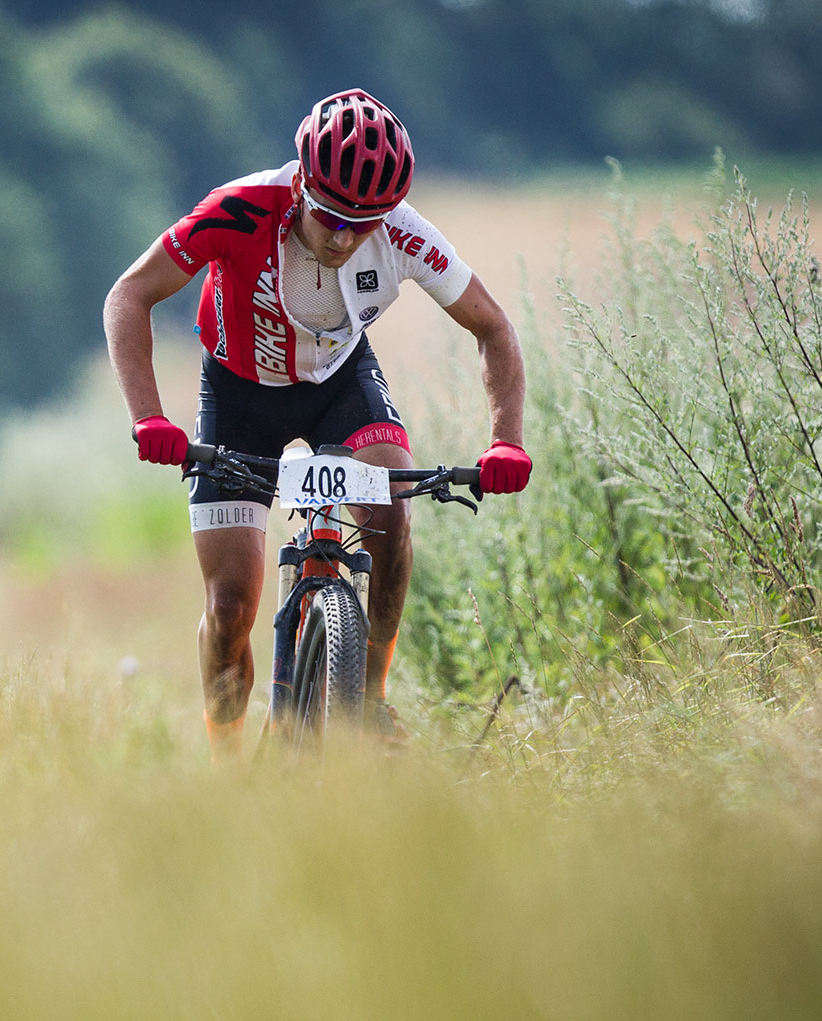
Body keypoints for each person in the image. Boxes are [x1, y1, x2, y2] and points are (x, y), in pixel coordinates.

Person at [102, 88, 529, 761]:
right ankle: (226, 763)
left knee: (388, 515)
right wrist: (148, 417)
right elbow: (129, 295)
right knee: (232, 607)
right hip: (237, 394)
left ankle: (368, 699)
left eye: (364, 223)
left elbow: (493, 328)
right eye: (330, 215)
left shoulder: (403, 231)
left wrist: (506, 436)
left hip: (339, 385)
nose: (343, 237)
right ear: (301, 181)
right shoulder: (239, 209)